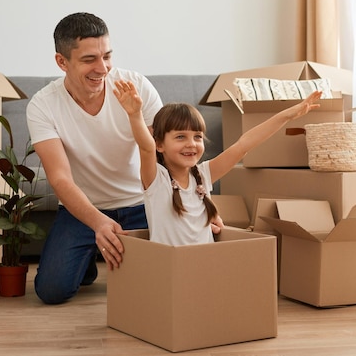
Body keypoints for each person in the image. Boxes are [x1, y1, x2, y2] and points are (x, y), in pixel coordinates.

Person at [26, 12, 163, 305]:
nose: (102, 68)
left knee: (158, 282)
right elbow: (59, 177)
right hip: (84, 211)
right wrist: (98, 222)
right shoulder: (43, 105)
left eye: (107, 56)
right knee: (51, 291)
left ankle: (92, 251)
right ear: (62, 62)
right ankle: (86, 256)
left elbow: (160, 155)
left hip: (141, 204)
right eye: (89, 59)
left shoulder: (135, 86)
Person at [113, 80, 322, 246]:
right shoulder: (156, 180)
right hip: (171, 271)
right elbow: (145, 147)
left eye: (197, 137)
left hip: (206, 267)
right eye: (180, 137)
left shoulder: (204, 174)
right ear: (160, 144)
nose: (191, 144)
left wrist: (288, 114)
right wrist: (135, 115)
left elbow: (244, 144)